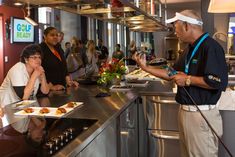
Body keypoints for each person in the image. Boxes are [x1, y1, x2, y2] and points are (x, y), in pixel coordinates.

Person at [133, 10, 228, 157]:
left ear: (187, 26)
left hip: (201, 115)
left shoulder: (211, 47)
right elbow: (172, 73)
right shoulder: (189, 49)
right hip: (186, 113)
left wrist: (188, 79)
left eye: (176, 29)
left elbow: (216, 81)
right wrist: (146, 67)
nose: (175, 33)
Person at [40, 27, 78, 91]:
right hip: (48, 90)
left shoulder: (58, 48)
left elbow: (64, 66)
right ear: (45, 36)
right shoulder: (40, 49)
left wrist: (68, 81)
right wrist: (50, 86)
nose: (55, 37)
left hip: (62, 87)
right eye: (52, 35)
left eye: (57, 35)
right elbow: (39, 70)